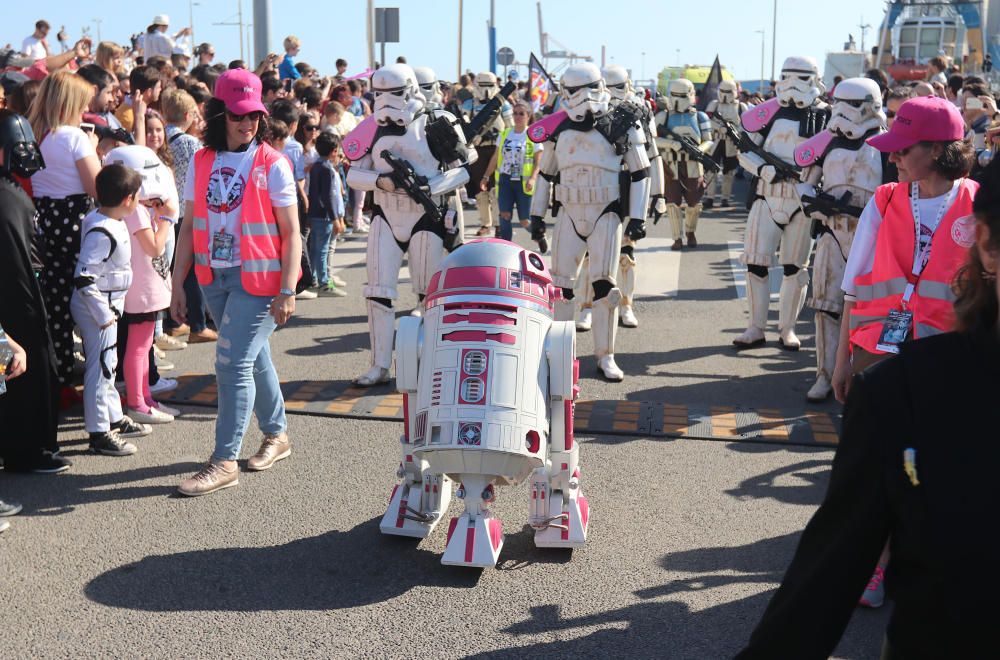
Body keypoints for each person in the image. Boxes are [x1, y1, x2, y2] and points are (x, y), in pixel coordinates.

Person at [736, 156, 1000, 660]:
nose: (898, 159)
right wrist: (840, 359)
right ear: (986, 245)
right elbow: (821, 587)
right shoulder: (901, 395)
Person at [170, 68, 302, 496]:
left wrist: (287, 289)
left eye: (254, 116)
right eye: (238, 115)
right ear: (218, 114)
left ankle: (224, 459)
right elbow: (189, 226)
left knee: (230, 363)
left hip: (260, 281)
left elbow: (292, 232)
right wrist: (176, 285)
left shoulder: (273, 164)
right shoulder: (202, 161)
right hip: (215, 277)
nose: (248, 124)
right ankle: (277, 435)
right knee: (252, 355)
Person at [343, 63, 473, 386]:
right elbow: (353, 174)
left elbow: (463, 171)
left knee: (429, 294)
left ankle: (433, 364)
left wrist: (431, 187)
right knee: (377, 292)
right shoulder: (370, 127)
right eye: (380, 95)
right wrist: (381, 182)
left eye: (395, 94)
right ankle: (379, 364)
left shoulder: (438, 123)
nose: (387, 102)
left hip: (425, 216)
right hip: (386, 215)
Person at [527, 63, 650, 382]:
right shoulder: (557, 127)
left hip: (605, 210)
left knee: (605, 287)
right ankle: (558, 353)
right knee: (561, 287)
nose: (582, 98)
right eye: (574, 91)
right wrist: (536, 215)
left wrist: (639, 216)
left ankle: (605, 355)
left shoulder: (621, 123)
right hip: (569, 209)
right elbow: (547, 174)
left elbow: (640, 172)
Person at [794, 78, 887, 403]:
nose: (843, 112)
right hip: (833, 231)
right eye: (839, 104)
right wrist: (814, 205)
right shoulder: (829, 143)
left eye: (850, 105)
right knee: (826, 306)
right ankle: (824, 373)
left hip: (874, 237)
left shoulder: (886, 146)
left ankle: (866, 374)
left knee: (874, 311)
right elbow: (805, 183)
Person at [732, 56, 830, 351]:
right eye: (787, 77)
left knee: (795, 269)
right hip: (767, 195)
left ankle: (787, 329)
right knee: (755, 263)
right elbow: (743, 148)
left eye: (800, 78)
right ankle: (755, 327)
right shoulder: (768, 112)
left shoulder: (828, 116)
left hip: (803, 201)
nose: (791, 85)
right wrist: (763, 169)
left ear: (814, 79)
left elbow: (833, 157)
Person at [0, 110, 71, 473]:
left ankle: (28, 447)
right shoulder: (6, 196)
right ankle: (26, 450)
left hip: (25, 297)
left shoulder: (11, 192)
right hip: (16, 303)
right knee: (22, 374)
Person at [27, 71, 102, 392]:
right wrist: (95, 148)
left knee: (55, 303)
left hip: (44, 221)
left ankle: (56, 373)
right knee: (86, 304)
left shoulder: (34, 134)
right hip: (74, 221)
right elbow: (97, 187)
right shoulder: (75, 137)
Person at [71, 163, 151, 457]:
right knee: (101, 368)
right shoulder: (102, 230)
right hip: (98, 310)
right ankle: (99, 432)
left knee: (108, 363)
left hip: (105, 307)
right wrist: (103, 316)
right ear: (128, 199)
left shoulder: (105, 220)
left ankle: (113, 417)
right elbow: (84, 277)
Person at [655, 77, 714, 250]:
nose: (678, 99)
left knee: (694, 204)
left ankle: (690, 231)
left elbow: (709, 141)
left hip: (693, 165)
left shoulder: (700, 117)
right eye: (675, 95)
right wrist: (671, 144)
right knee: (673, 204)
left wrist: (699, 151)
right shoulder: (663, 116)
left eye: (682, 95)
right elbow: (651, 139)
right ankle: (677, 238)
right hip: (671, 165)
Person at [480, 100, 542, 242]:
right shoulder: (504, 134)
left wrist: (532, 178)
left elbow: (538, 162)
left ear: (528, 115)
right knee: (504, 214)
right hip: (505, 180)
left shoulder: (533, 135)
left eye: (521, 114)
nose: (517, 116)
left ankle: (538, 235)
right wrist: (486, 176)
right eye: (515, 113)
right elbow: (495, 157)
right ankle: (506, 245)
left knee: (524, 220)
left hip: (524, 182)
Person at [306, 131, 347, 296]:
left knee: (315, 250)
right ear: (333, 151)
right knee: (322, 250)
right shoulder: (327, 169)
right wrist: (335, 218)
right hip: (324, 216)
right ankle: (324, 283)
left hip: (314, 213)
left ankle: (314, 279)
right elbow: (328, 196)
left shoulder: (315, 166)